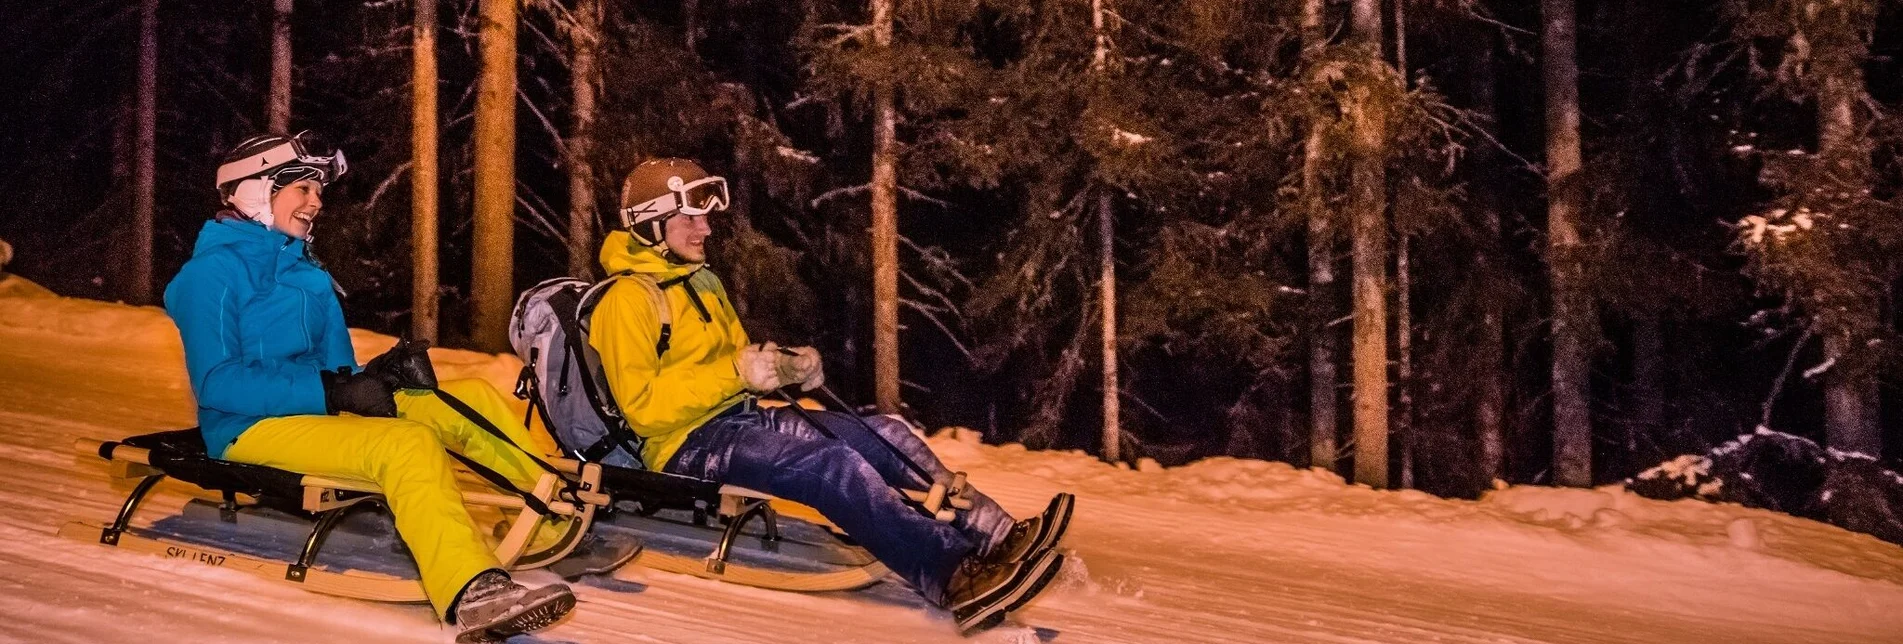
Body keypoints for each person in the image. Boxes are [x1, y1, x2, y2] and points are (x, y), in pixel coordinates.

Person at [163, 132, 619, 643]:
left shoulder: (308, 276)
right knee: (407, 445)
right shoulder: (210, 276)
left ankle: (552, 518)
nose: (316, 202)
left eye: (319, 191)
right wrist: (333, 394)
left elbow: (338, 369)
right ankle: (471, 590)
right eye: (302, 189)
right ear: (253, 191)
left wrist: (380, 377)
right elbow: (218, 384)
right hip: (248, 428)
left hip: (314, 415)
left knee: (470, 399)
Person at [588, 158, 1073, 632]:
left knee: (884, 433)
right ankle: (950, 575)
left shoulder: (702, 281)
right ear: (651, 224)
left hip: (741, 417)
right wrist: (738, 372)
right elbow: (643, 410)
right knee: (828, 465)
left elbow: (732, 363)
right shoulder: (626, 301)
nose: (706, 229)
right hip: (684, 445)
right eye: (691, 217)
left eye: (706, 216)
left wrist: (783, 364)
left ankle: (997, 534)